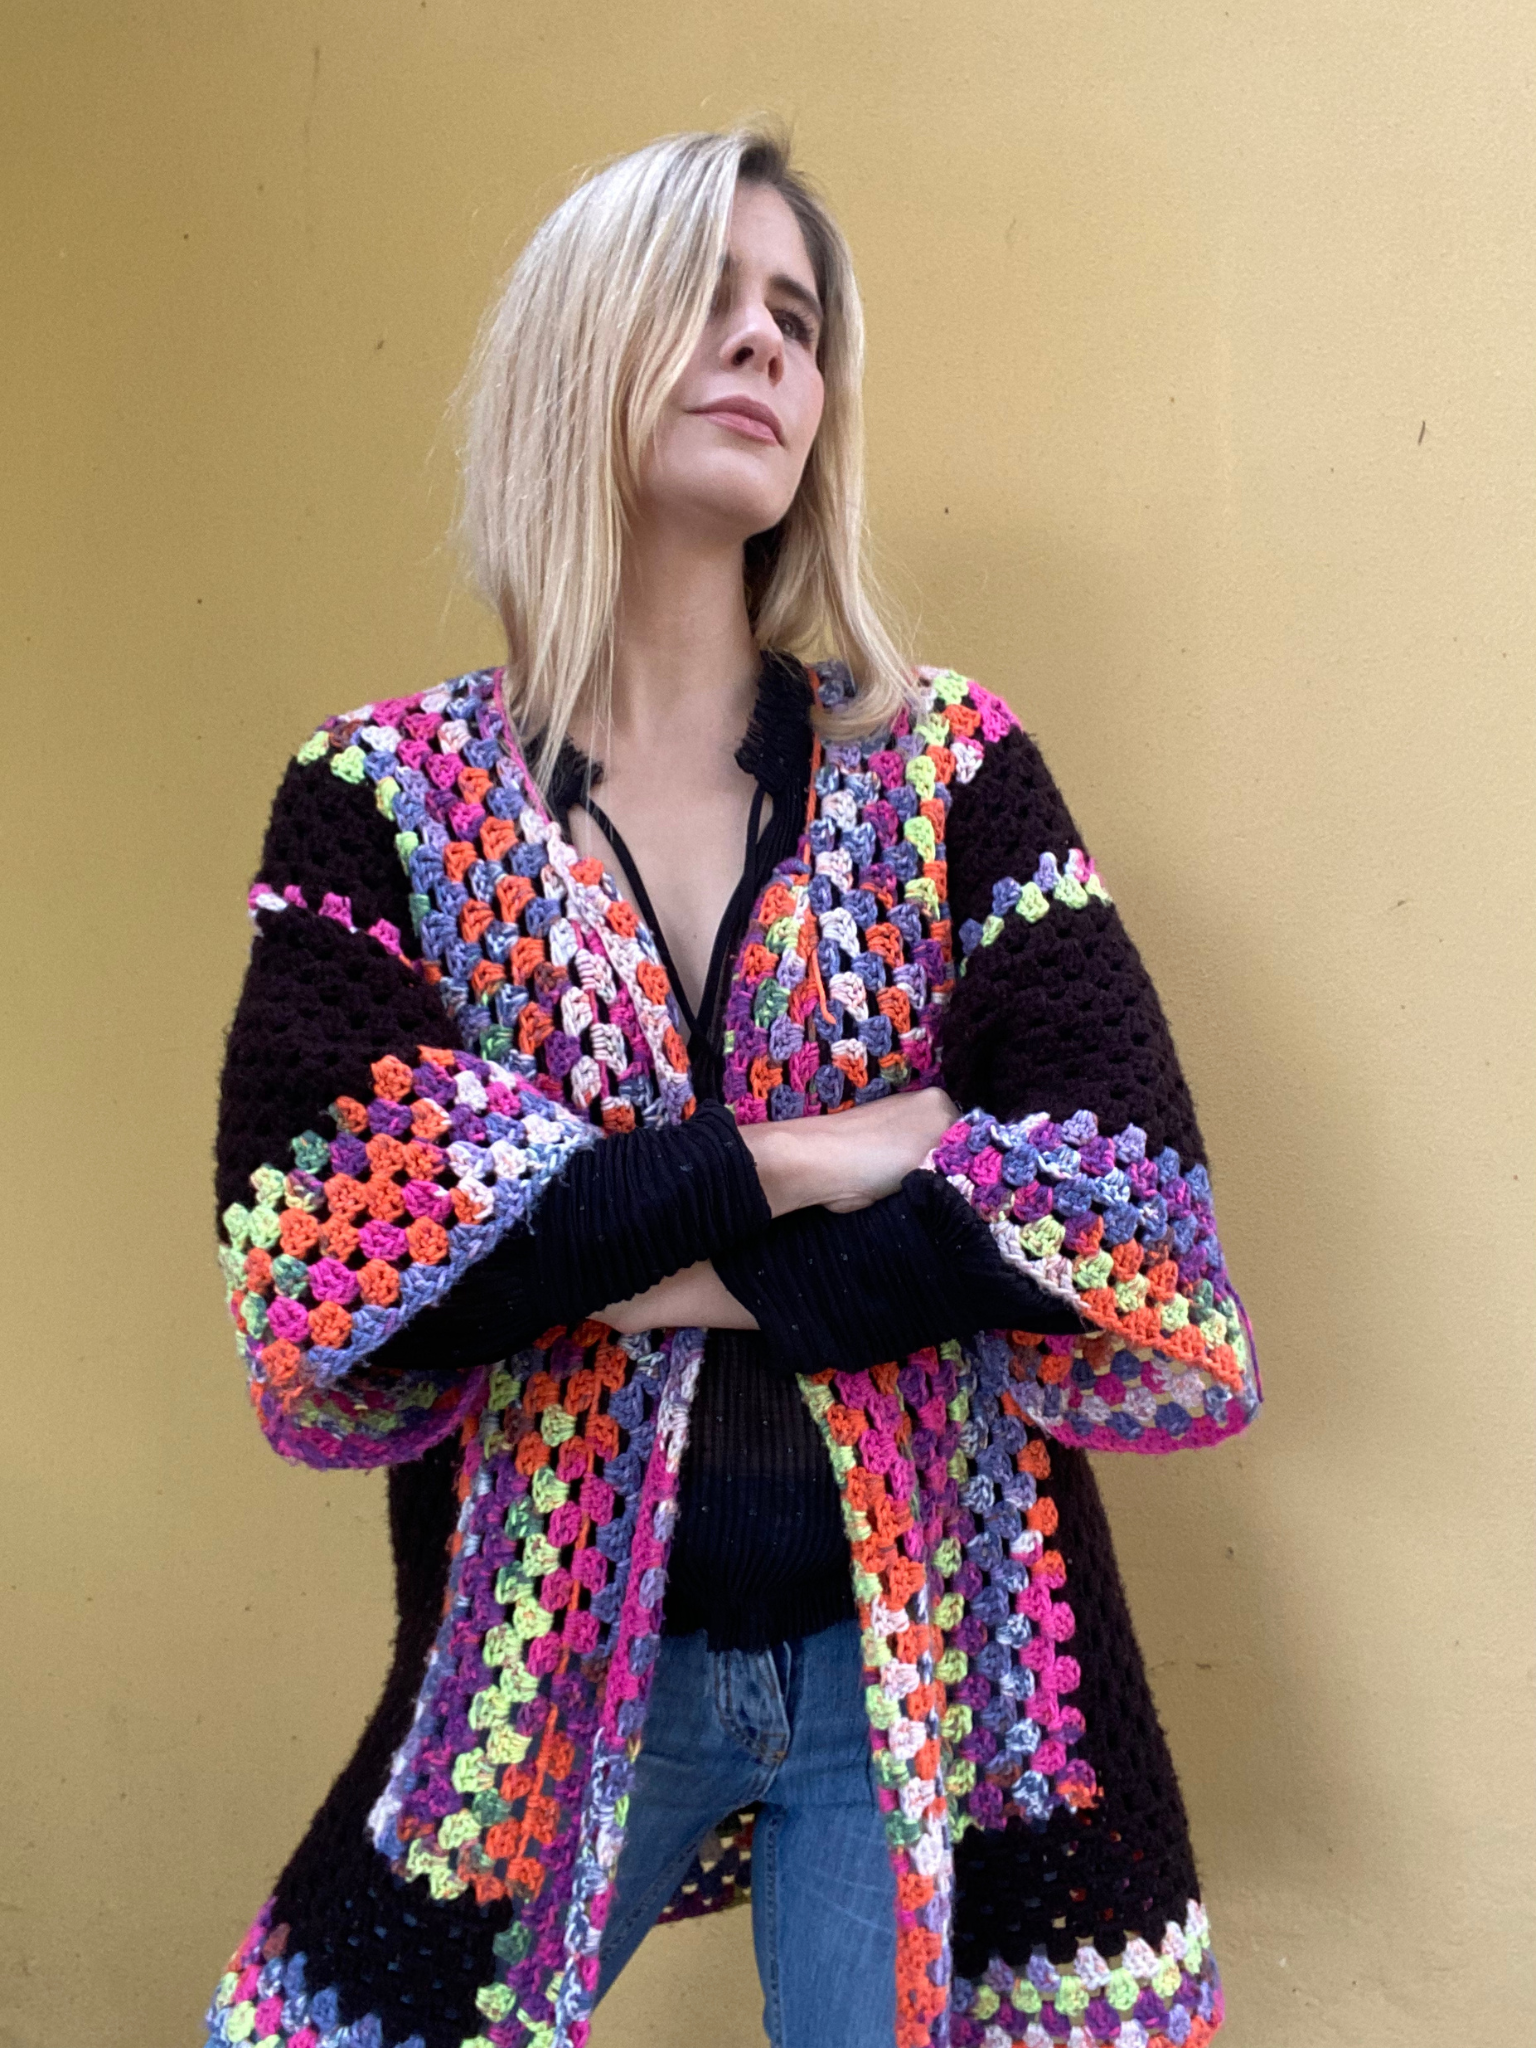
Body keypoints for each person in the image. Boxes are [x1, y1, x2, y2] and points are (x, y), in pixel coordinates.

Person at [203, 127, 1259, 2048]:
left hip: (925, 1675)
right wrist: (834, 1152)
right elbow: (343, 1264)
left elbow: (1114, 1195)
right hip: (543, 1677)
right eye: (709, 297)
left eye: (798, 318)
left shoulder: (944, 770)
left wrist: (578, 1244)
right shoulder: (382, 804)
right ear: (580, 344)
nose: (769, 345)